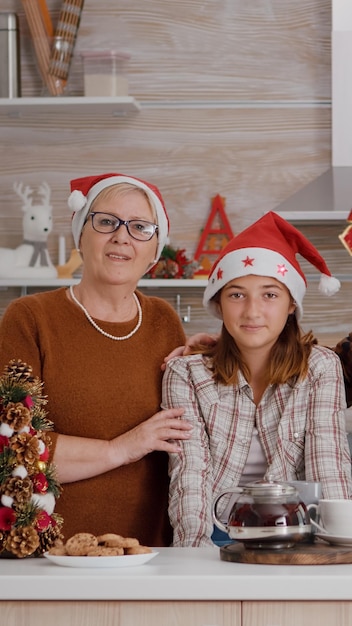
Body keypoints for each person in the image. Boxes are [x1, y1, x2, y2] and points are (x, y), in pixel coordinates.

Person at [0, 172, 194, 546]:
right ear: (81, 235)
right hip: (49, 553)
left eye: (140, 227)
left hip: (150, 553)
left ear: (155, 250)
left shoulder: (163, 321)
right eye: (106, 222)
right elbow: (12, 447)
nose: (122, 236)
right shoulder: (30, 318)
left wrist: (217, 355)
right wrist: (121, 448)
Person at [162, 211, 352, 547]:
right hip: (217, 533)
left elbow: (328, 463)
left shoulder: (321, 368)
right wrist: (194, 553)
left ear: (291, 303)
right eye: (236, 294)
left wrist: (335, 547)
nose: (252, 311)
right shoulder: (185, 373)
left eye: (269, 294)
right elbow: (190, 473)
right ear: (218, 303)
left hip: (296, 535)